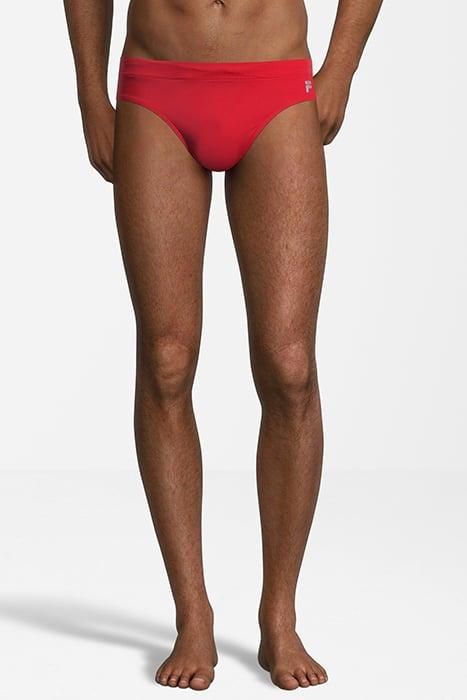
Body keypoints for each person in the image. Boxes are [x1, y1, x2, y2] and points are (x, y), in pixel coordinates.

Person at [64, 0, 382, 690]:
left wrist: (340, 69)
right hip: (157, 86)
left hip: (275, 81)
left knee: (290, 367)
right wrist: (90, 94)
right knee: (166, 359)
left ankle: (279, 614)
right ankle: (192, 614)